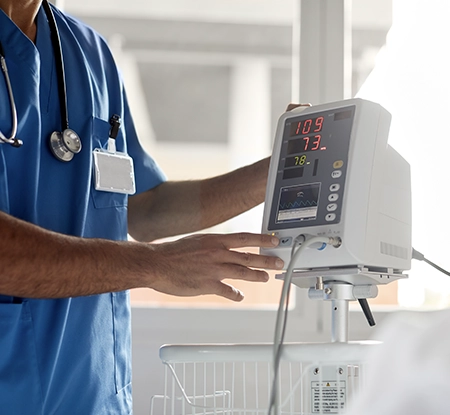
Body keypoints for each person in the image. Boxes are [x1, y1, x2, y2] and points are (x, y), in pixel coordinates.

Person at [0, 1, 288, 413]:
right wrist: (155, 265)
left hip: (91, 397)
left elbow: (144, 208)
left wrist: (278, 170)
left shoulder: (87, 53)